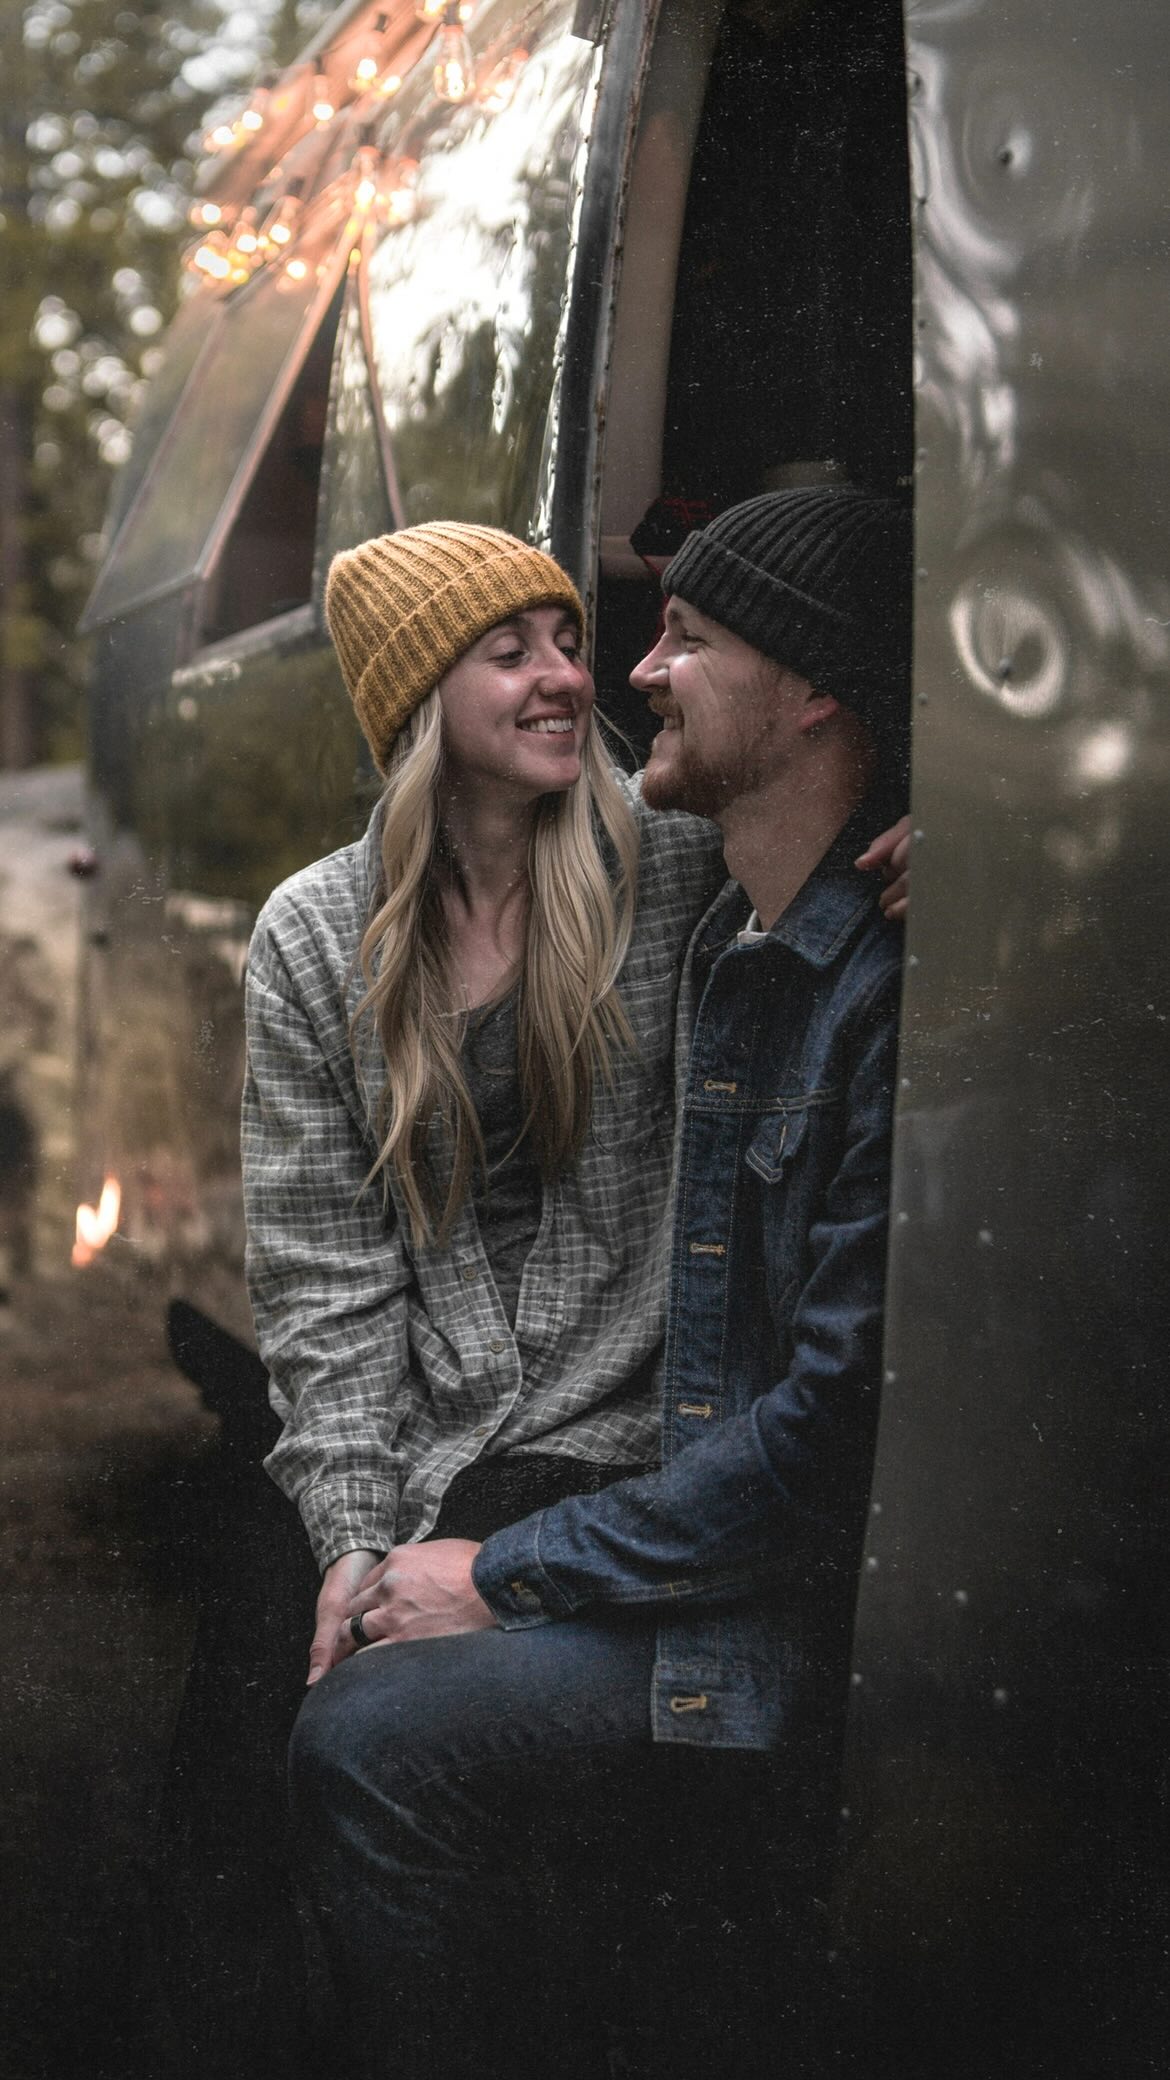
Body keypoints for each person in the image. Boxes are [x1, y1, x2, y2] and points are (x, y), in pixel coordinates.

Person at [266, 489, 910, 2079]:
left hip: (638, 1453)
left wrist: (966, 820)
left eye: (585, 635)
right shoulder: (316, 938)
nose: (582, 673)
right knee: (265, 1714)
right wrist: (354, 1547)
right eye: (512, 650)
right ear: (420, 709)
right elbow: (324, 1284)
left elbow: (822, 805)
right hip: (445, 1458)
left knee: (379, 1746)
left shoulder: (675, 873)